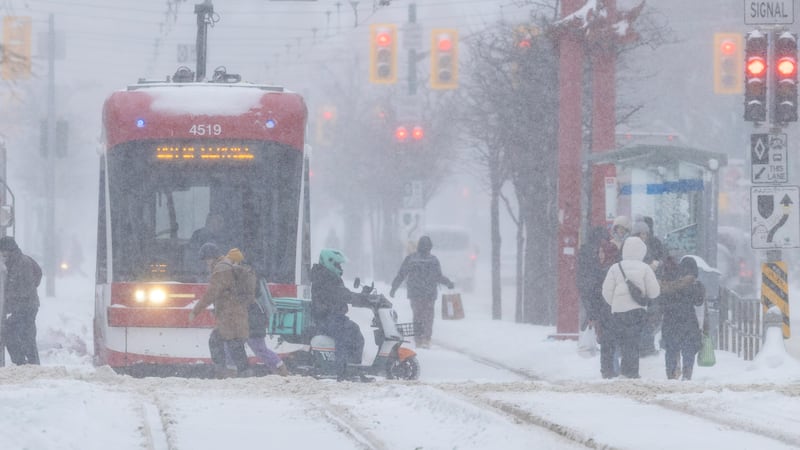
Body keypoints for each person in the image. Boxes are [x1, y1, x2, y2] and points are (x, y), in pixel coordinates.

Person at [189, 243, 253, 378]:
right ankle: (243, 372)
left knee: (217, 341)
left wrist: (196, 310)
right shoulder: (226, 265)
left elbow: (211, 293)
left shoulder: (221, 269)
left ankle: (222, 371)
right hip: (235, 311)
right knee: (234, 343)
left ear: (211, 257)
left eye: (206, 260)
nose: (206, 263)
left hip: (229, 314)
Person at [223, 248, 289, 376]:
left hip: (252, 317)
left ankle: (280, 369)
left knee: (255, 347)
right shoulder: (247, 274)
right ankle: (278, 368)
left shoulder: (244, 276)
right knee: (239, 345)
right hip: (252, 316)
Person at [602, 236, 660, 379]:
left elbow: (606, 291)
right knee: (633, 342)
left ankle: (617, 370)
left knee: (620, 340)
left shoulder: (616, 267)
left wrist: (614, 303)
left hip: (619, 311)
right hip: (637, 311)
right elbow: (655, 292)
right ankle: (631, 372)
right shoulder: (645, 268)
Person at [310, 248, 368, 381]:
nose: (340, 267)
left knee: (356, 333)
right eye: (338, 264)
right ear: (330, 262)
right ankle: (342, 371)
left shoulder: (328, 276)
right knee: (344, 335)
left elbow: (342, 293)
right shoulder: (324, 277)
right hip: (326, 318)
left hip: (334, 316)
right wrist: (361, 298)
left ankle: (354, 369)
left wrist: (361, 296)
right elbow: (341, 294)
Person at [389, 235, 454, 349]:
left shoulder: (411, 259)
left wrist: (394, 288)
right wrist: (448, 283)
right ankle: (426, 339)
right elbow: (438, 276)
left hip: (415, 294)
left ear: (418, 246)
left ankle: (418, 339)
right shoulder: (433, 260)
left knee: (417, 316)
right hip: (429, 294)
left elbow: (401, 274)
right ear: (430, 247)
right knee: (428, 317)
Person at [577, 226, 618, 378]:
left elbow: (587, 287)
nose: (599, 254)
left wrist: (592, 312)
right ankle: (611, 370)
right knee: (610, 339)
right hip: (609, 307)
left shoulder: (588, 258)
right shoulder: (611, 263)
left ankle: (608, 370)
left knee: (606, 339)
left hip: (600, 306)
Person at [661, 257, 705, 380]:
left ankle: (671, 373)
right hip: (688, 321)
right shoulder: (694, 285)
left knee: (671, 348)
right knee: (688, 348)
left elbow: (661, 301)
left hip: (670, 321)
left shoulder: (670, 283)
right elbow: (699, 302)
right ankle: (687, 373)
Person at [0, 236, 43, 365]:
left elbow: (14, 289)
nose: (2, 254)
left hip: (24, 307)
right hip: (29, 305)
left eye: (3, 251)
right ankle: (31, 364)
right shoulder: (21, 260)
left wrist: (7, 306)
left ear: (8, 250)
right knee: (27, 335)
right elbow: (38, 273)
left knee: (9, 331)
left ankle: (22, 363)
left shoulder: (19, 264)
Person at [631, 219, 665, 357]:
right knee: (644, 317)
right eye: (642, 233)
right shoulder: (647, 245)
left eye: (645, 233)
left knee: (648, 317)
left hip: (646, 286)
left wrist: (657, 265)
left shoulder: (650, 244)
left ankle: (644, 346)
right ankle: (643, 346)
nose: (644, 236)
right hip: (640, 287)